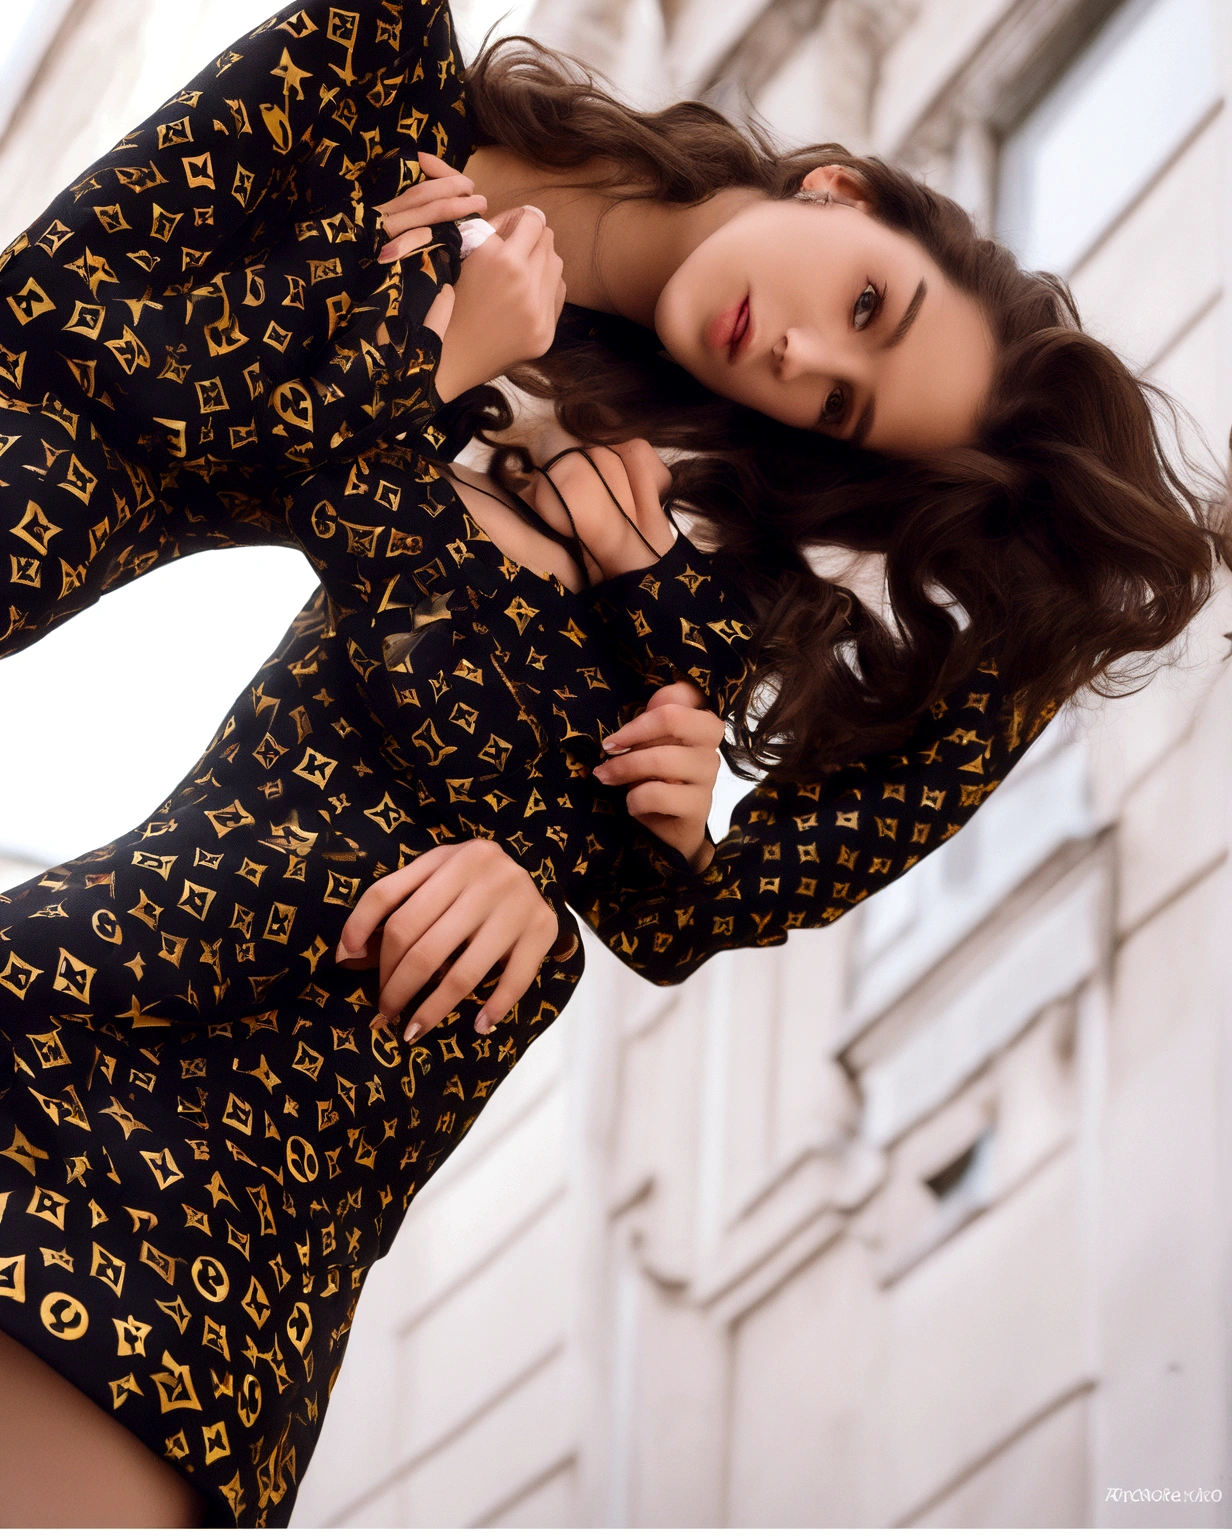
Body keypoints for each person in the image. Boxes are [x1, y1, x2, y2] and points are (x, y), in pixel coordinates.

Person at [0, 0, 1222, 1526]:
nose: (790, 349)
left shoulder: (685, 574)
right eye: (864, 304)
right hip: (87, 1001)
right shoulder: (372, 68)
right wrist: (427, 350)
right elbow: (61, 339)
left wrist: (614, 819)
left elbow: (682, 907)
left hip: (248, 1215)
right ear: (843, 190)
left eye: (838, 401)